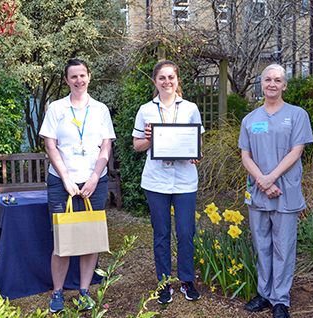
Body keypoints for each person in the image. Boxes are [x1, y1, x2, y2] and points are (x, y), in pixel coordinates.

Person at [39, 58, 116, 313]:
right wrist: (66, 179)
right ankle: (57, 293)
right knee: (62, 239)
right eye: (73, 77)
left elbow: (106, 146)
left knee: (90, 238)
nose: (78, 80)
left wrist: (95, 177)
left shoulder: (101, 109)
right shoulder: (56, 109)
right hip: (63, 182)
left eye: (82, 75)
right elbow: (51, 145)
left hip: (95, 182)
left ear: (89, 76)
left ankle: (84, 291)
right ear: (66, 80)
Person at [239, 64, 313, 318]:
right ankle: (264, 293)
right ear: (261, 84)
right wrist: (262, 180)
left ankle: (281, 299)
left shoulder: (297, 115)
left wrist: (272, 178)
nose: (272, 84)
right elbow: (245, 155)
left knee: (284, 246)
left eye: (277, 80)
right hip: (259, 191)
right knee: (262, 245)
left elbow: (297, 151)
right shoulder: (250, 119)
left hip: (285, 191)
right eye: (268, 79)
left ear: (284, 85)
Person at [132, 60, 204, 304]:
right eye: (162, 78)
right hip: (156, 181)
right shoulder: (146, 110)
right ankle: (164, 283)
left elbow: (198, 143)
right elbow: (137, 145)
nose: (167, 82)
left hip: (184, 181)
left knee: (186, 233)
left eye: (171, 77)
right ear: (155, 81)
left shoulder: (190, 108)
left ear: (177, 80)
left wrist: (195, 153)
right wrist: (152, 140)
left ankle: (186, 280)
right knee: (161, 234)